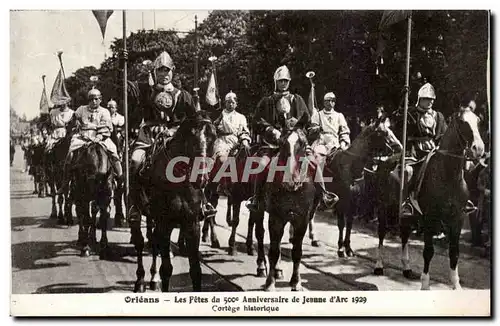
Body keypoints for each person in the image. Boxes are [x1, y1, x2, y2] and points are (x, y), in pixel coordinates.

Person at [128, 51, 216, 223]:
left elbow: (194, 119)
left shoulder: (183, 95)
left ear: (172, 71)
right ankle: (135, 205)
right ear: (155, 72)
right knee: (135, 161)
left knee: (198, 162)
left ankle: (203, 202)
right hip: (150, 135)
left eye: (167, 70)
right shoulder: (146, 92)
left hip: (178, 135)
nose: (164, 74)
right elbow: (135, 108)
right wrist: (121, 65)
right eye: (160, 70)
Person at [246, 65, 338, 212]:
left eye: (286, 81)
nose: (283, 84)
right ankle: (256, 199)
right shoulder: (267, 101)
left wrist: (299, 123)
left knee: (314, 162)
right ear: (276, 81)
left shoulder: (297, 99)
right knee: (262, 165)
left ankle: (324, 196)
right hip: (273, 144)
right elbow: (257, 121)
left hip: (295, 142)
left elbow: (306, 118)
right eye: (281, 81)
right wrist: (270, 129)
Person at [391, 83, 448, 216]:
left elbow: (444, 134)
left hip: (434, 151)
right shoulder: (410, 112)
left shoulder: (438, 116)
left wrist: (440, 144)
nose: (429, 102)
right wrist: (403, 99)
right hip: (414, 150)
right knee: (408, 171)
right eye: (426, 99)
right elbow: (397, 118)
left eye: (432, 100)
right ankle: (406, 203)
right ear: (420, 99)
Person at [58, 88, 123, 194]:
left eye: (96, 99)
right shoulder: (81, 109)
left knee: (113, 150)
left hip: (100, 136)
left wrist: (99, 136)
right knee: (70, 153)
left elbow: (106, 127)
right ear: (88, 100)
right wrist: (75, 122)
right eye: (91, 99)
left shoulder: (104, 111)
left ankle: (120, 178)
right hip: (82, 137)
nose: (94, 101)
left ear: (100, 100)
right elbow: (74, 121)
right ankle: (65, 183)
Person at [212, 91, 251, 195]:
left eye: (232, 102)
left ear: (236, 104)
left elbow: (244, 131)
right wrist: (217, 122)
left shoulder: (241, 117)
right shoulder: (220, 115)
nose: (230, 104)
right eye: (228, 102)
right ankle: (222, 184)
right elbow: (212, 128)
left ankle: (244, 185)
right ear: (225, 103)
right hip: (222, 140)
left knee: (245, 158)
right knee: (222, 159)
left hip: (235, 140)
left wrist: (244, 140)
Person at [309, 92, 350, 157]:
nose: (330, 103)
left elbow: (344, 132)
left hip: (335, 144)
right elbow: (311, 130)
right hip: (322, 143)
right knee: (317, 156)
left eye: (333, 101)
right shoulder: (318, 115)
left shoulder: (339, 115)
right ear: (324, 102)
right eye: (328, 101)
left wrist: (343, 143)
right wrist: (316, 128)